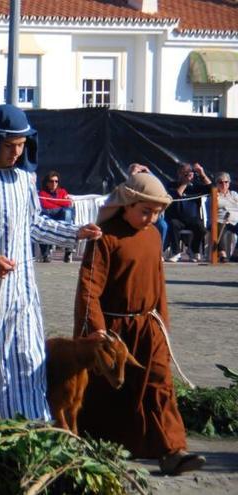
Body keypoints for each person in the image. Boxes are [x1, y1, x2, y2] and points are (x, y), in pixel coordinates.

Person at [0, 103, 101, 420]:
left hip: (19, 290)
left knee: (24, 354)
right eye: (9, 146)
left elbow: (34, 224)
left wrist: (75, 232)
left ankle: (23, 422)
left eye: (20, 146)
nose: (15, 152)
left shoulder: (25, 180)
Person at [75, 172, 205, 476]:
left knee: (161, 384)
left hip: (149, 326)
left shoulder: (153, 235)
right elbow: (89, 287)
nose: (151, 217)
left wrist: (163, 325)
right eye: (145, 210)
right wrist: (96, 329)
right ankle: (99, 447)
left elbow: (158, 284)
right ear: (127, 203)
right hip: (113, 329)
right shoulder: (104, 236)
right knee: (108, 391)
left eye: (157, 212)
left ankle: (172, 451)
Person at [165, 162, 211, 262]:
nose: (187, 175)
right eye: (184, 173)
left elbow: (211, 189)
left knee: (201, 228)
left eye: (188, 173)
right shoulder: (172, 184)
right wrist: (185, 183)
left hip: (192, 219)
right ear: (179, 173)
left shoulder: (195, 186)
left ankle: (193, 250)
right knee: (173, 224)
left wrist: (202, 173)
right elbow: (175, 195)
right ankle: (176, 252)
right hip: (177, 218)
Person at [37, 170, 75, 263]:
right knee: (43, 221)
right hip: (48, 215)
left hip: (60, 216)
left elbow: (68, 203)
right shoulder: (42, 193)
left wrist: (53, 202)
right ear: (47, 183)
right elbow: (45, 205)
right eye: (51, 181)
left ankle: (68, 250)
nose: (54, 183)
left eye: (56, 181)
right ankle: (45, 254)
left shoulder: (62, 191)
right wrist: (60, 202)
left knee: (68, 212)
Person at [213, 172, 238, 261]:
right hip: (221, 220)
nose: (224, 184)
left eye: (226, 182)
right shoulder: (215, 194)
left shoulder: (234, 194)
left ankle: (235, 253)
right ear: (217, 184)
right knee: (218, 228)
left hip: (235, 220)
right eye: (220, 182)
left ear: (229, 183)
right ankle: (222, 254)